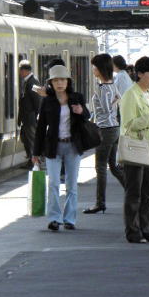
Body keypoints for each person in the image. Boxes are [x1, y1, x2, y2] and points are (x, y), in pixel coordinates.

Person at [32, 64, 91, 231]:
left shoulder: (77, 97)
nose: (60, 83)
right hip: (53, 146)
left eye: (63, 80)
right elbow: (41, 128)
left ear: (68, 82)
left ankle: (70, 219)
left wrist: (81, 111)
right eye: (56, 80)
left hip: (73, 146)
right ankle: (54, 218)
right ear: (50, 83)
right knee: (53, 183)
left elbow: (87, 116)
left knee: (71, 185)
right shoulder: (47, 101)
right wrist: (36, 152)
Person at [119, 57, 149, 244]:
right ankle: (133, 231)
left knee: (148, 192)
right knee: (134, 192)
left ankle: (147, 229)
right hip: (136, 148)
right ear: (139, 74)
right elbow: (128, 124)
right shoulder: (130, 95)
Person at [85, 53, 124, 214]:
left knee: (100, 166)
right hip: (114, 128)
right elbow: (119, 97)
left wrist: (109, 104)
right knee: (113, 166)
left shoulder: (103, 88)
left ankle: (100, 202)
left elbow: (107, 108)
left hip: (105, 129)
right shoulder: (112, 85)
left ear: (100, 69)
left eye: (94, 67)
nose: (93, 69)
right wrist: (114, 103)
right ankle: (133, 190)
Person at [18, 60, 41, 168]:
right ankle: (31, 160)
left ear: (24, 71)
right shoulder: (28, 81)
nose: (19, 73)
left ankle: (35, 162)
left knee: (32, 140)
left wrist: (36, 116)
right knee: (26, 139)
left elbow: (38, 100)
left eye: (20, 70)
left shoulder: (33, 82)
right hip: (26, 118)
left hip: (30, 118)